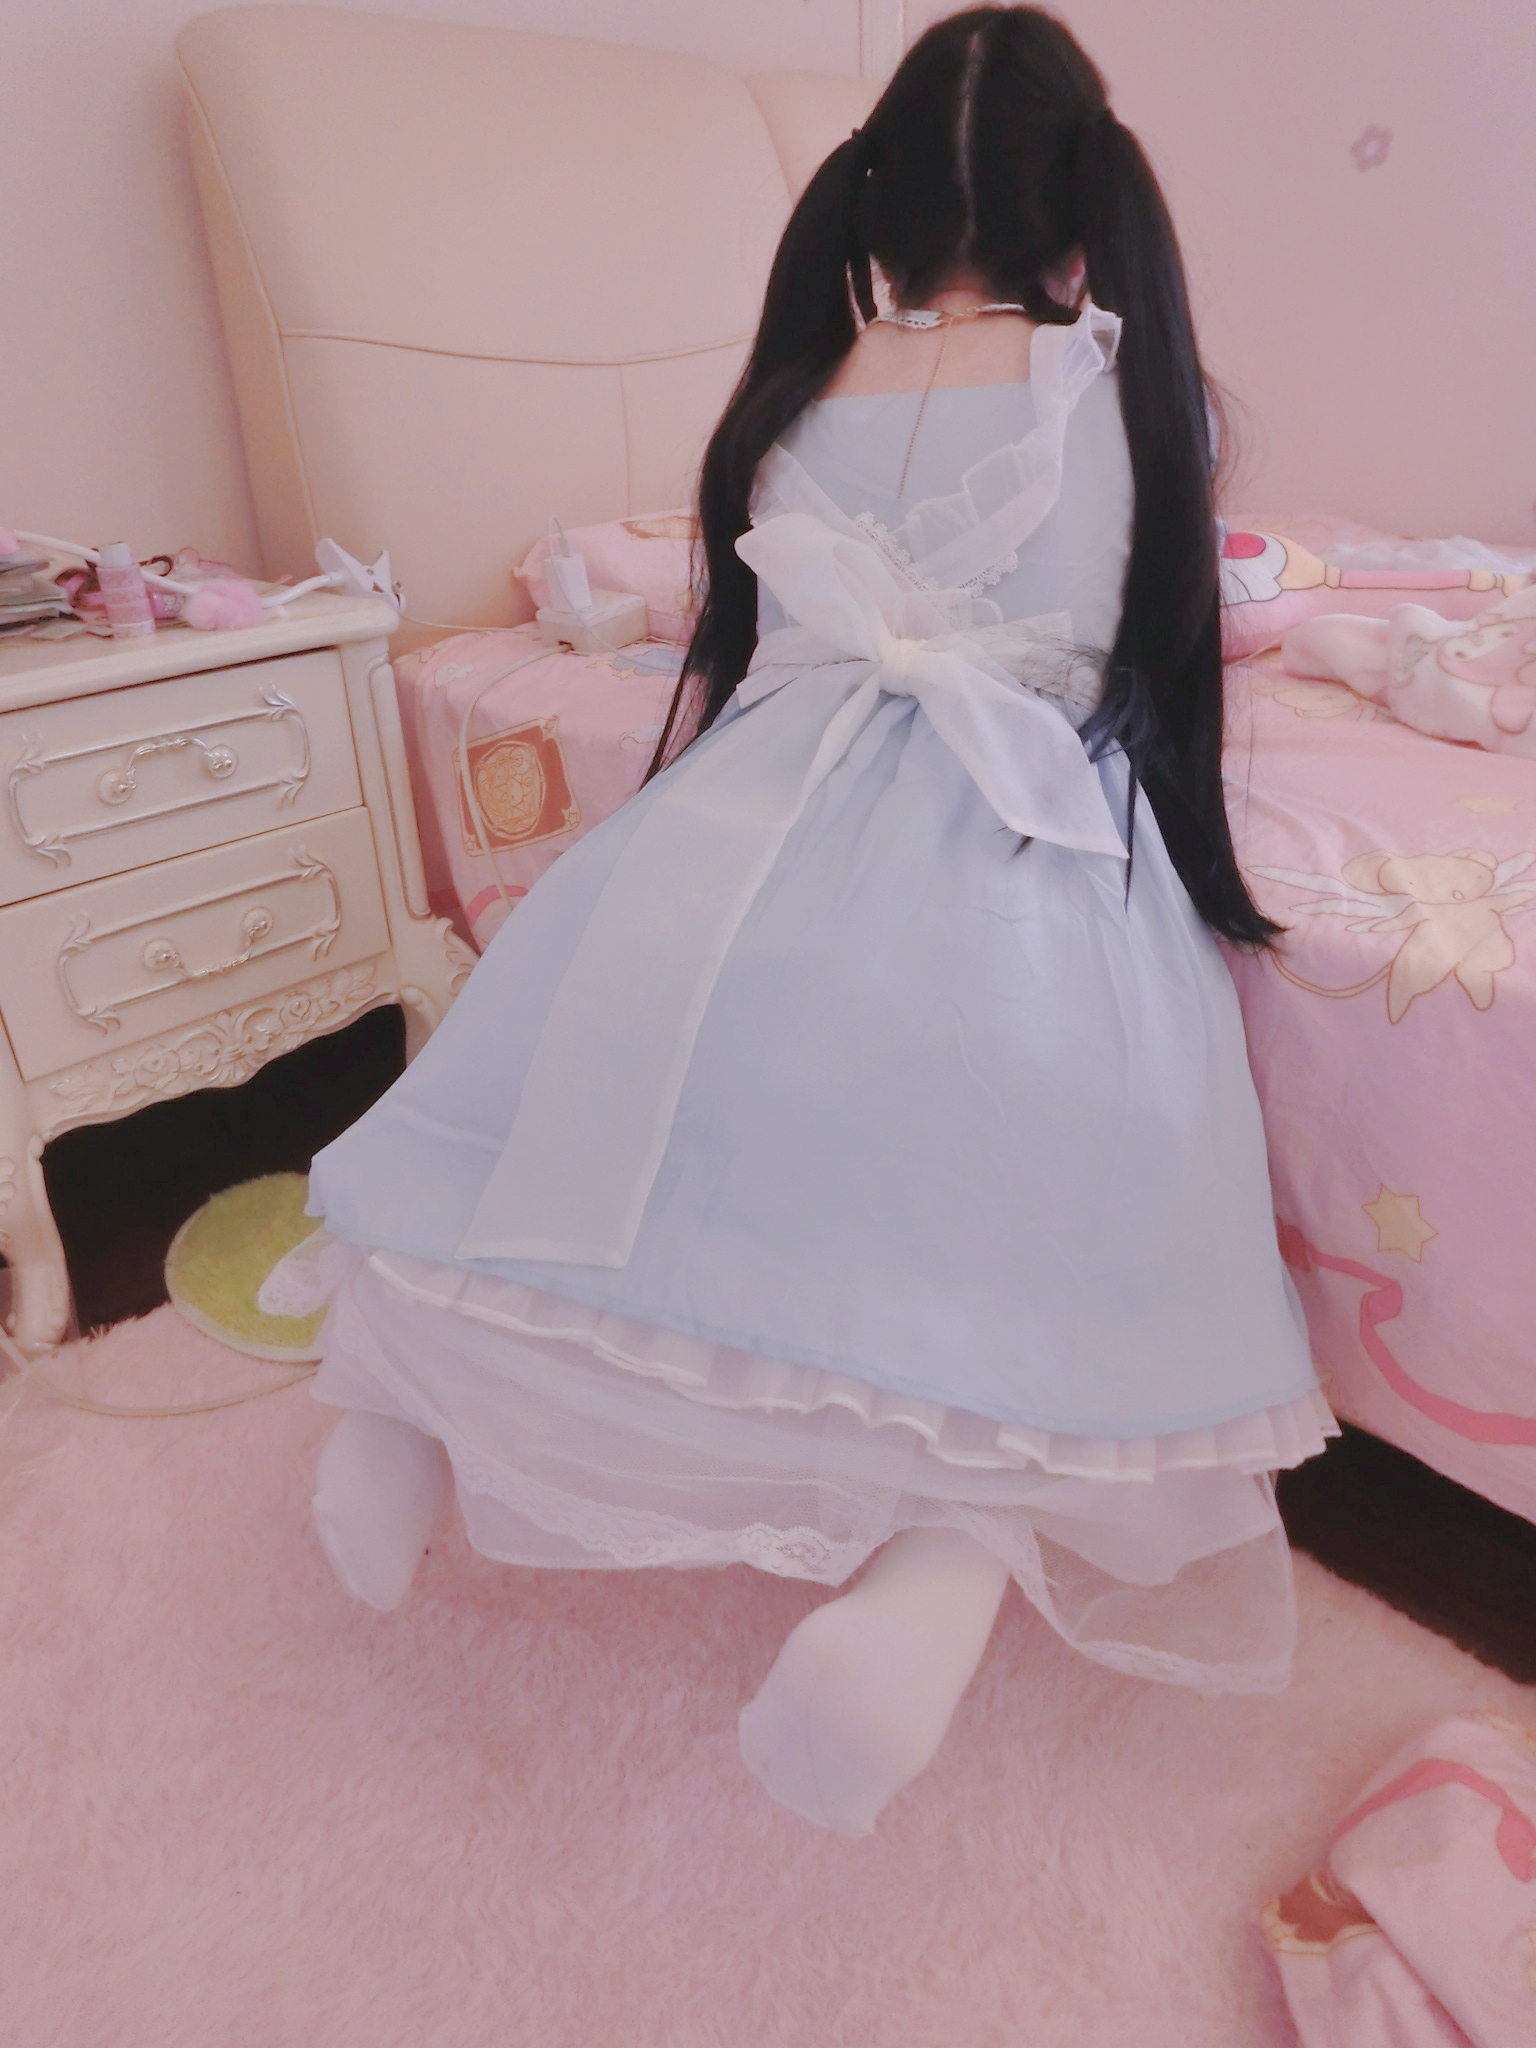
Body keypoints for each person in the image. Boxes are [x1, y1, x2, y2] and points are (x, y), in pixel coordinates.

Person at [272, 4, 1334, 1837]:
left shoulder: (795, 392)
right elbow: (1155, 659)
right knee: (1036, 1229)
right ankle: (933, 1586)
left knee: (542, 1142)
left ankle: (399, 1418)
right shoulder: (1135, 392)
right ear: (1086, 208)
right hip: (1005, 855)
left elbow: (751, 655)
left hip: (724, 853)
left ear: (880, 203)